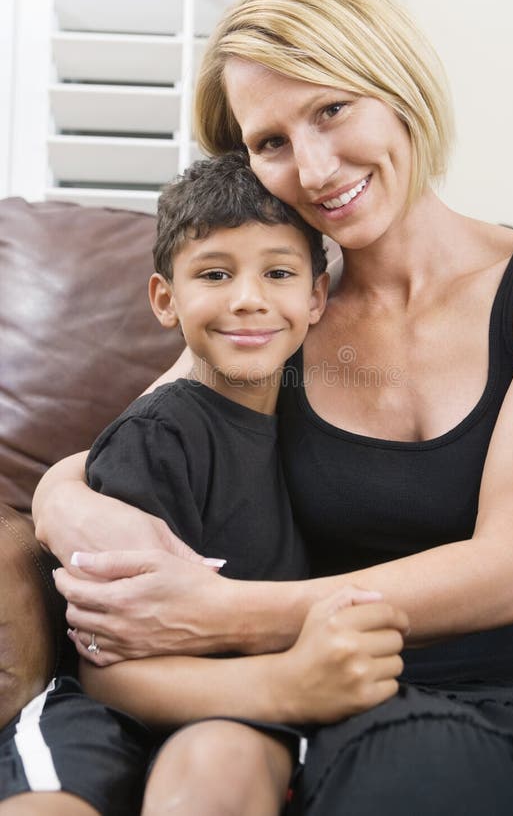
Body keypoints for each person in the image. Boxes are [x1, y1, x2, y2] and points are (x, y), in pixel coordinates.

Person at [32, 0, 513, 815]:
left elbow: (510, 571)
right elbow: (138, 437)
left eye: (332, 109)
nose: (317, 167)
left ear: (396, 86)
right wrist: (54, 497)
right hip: (387, 704)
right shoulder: (282, 315)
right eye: (271, 143)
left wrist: (219, 611)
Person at [1, 150, 405, 816]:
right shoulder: (163, 434)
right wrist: (286, 684)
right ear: (166, 299)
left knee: (220, 771)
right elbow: (108, 671)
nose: (248, 299)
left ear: (316, 296)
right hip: (113, 709)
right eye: (215, 274)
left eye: (277, 272)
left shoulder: (318, 413)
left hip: (237, 711)